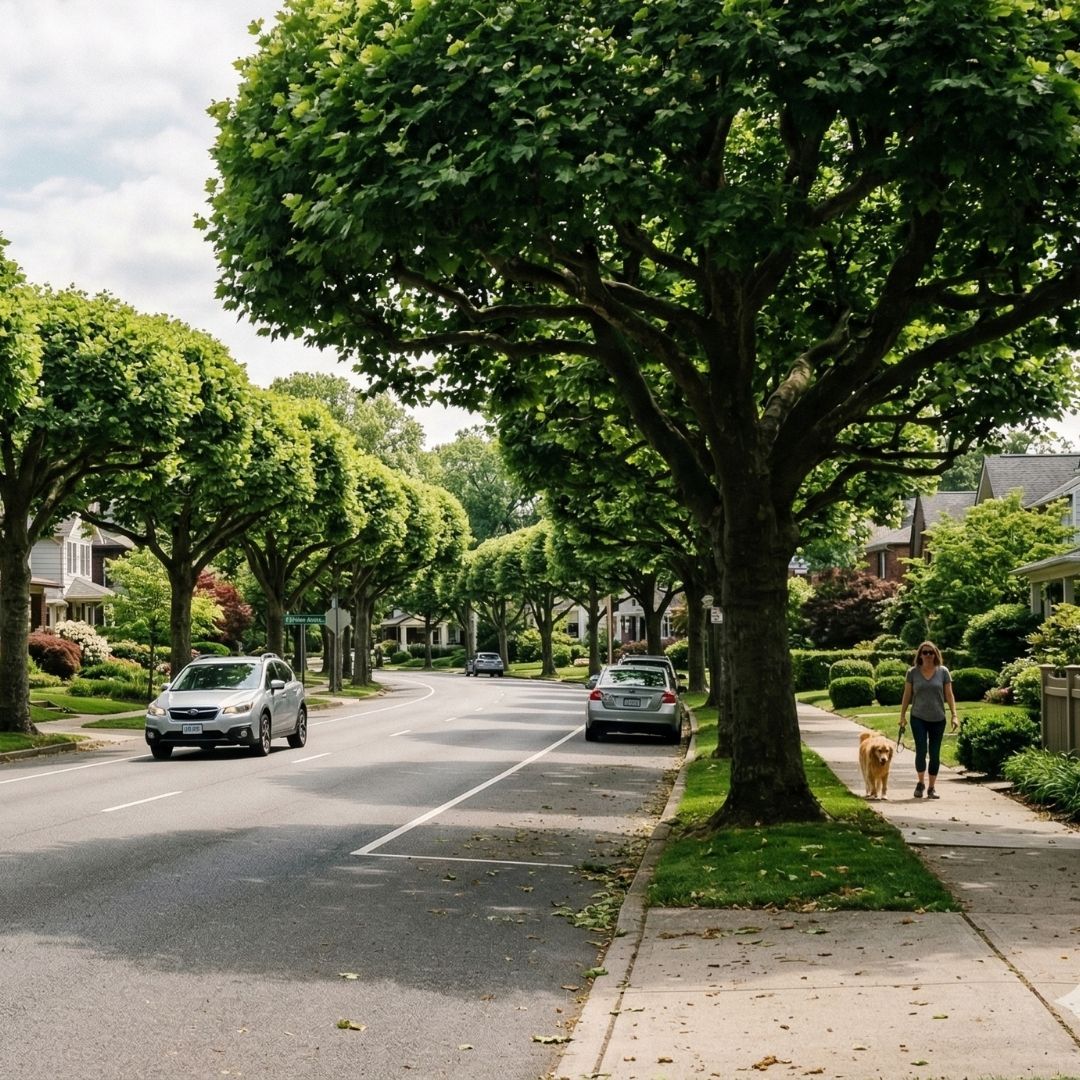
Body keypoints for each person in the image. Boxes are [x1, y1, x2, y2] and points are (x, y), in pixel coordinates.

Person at [898, 640, 958, 800]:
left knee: (935, 754)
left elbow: (949, 695)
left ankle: (931, 787)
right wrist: (902, 715)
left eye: (931, 652)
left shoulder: (943, 672)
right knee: (921, 750)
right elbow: (907, 695)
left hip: (938, 718)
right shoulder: (912, 672)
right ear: (920, 655)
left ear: (936, 654)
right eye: (925, 652)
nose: (928, 655)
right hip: (918, 717)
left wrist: (954, 715)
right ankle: (920, 783)